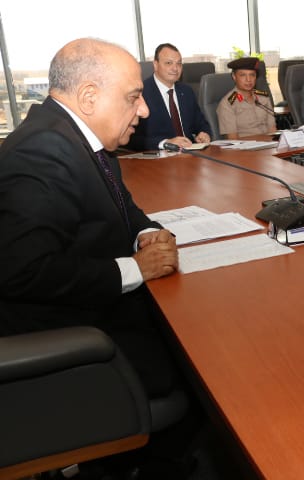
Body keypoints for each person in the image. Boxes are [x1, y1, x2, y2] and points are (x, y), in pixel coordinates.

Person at [0, 38, 190, 475]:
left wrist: (147, 232)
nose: (144, 110)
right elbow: (24, 271)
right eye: (134, 97)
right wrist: (134, 268)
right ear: (89, 96)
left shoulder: (77, 137)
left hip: (92, 312)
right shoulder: (42, 152)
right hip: (70, 336)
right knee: (205, 367)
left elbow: (123, 205)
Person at [129, 43, 211, 150]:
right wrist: (165, 143)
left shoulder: (187, 91)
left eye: (179, 64)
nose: (175, 68)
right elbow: (131, 138)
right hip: (158, 155)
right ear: (155, 65)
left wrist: (204, 133)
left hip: (190, 153)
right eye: (169, 63)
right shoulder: (140, 93)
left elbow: (201, 123)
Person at [217, 57, 276, 138]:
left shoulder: (263, 98)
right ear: (234, 76)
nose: (248, 80)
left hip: (269, 143)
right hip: (245, 145)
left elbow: (272, 130)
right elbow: (233, 139)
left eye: (252, 75)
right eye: (243, 75)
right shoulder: (227, 104)